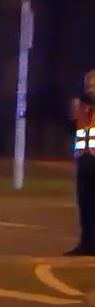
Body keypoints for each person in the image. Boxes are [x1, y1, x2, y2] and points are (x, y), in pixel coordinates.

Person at [68, 71, 95, 256]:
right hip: (84, 158)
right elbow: (72, 127)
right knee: (85, 204)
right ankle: (87, 243)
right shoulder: (81, 105)